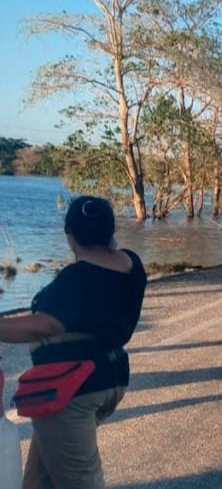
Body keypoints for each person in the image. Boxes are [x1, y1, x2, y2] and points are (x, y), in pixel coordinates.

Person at [0, 195, 147, 487]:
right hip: (108, 379)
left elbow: (47, 324)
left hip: (68, 391)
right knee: (38, 480)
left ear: (69, 235)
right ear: (110, 231)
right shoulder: (132, 264)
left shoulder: (77, 278)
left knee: (80, 481)